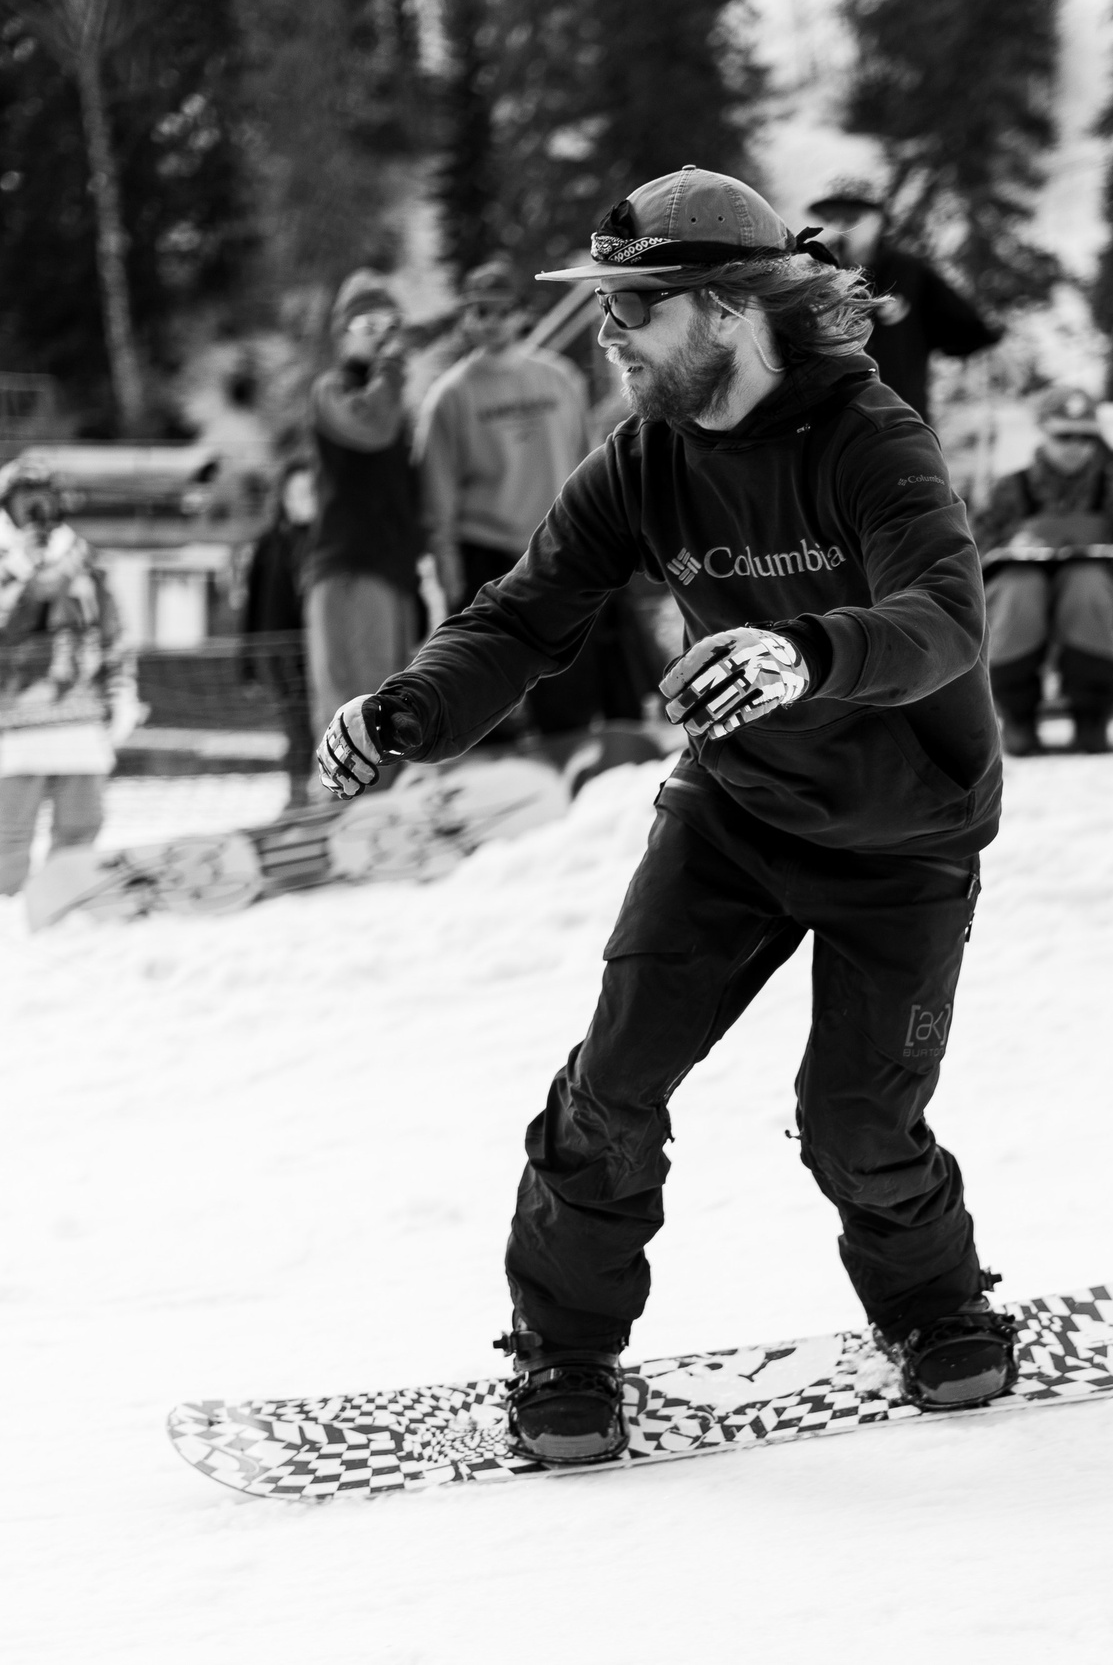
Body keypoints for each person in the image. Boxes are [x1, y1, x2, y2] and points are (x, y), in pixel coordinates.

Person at [315, 166, 1016, 1464]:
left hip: (903, 836)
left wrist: (806, 652)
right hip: (736, 818)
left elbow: (942, 618)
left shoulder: (872, 437)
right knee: (613, 1091)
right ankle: (564, 1354)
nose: (609, 334)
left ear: (730, 306)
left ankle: (935, 1304)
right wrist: (407, 709)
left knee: (858, 1125)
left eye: (634, 307)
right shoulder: (646, 457)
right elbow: (525, 613)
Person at [416, 259, 638, 734]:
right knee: (486, 705)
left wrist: (611, 548)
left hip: (565, 551)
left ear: (519, 314)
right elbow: (437, 502)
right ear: (466, 319)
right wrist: (450, 576)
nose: (490, 322)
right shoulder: (449, 398)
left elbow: (592, 466)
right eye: (479, 312)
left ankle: (574, 788)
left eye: (499, 311)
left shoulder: (560, 379)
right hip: (489, 560)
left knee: (572, 696)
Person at [0, 457, 136, 897]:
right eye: (26, 501)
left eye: (45, 499)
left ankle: (66, 901)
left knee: (81, 826)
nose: (37, 510)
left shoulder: (84, 561)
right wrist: (23, 560)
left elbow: (112, 630)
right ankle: (6, 911)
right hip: (20, 721)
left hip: (81, 720)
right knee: (14, 832)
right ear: (6, 507)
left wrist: (122, 691)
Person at [976, 385, 1113, 755]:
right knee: (1020, 589)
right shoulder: (1009, 489)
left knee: (1087, 584)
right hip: (1017, 593)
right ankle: (1018, 717)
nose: (1075, 446)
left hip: (1092, 593)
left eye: (1086, 437)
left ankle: (1091, 716)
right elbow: (968, 553)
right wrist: (1009, 548)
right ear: (1043, 432)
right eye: (1064, 436)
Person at [306, 269, 428, 755]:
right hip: (350, 568)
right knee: (356, 713)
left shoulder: (390, 398)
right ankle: (348, 810)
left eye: (389, 325)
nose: (382, 339)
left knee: (390, 705)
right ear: (342, 334)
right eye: (367, 327)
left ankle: (378, 812)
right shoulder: (332, 390)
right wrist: (396, 364)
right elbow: (370, 428)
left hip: (390, 570)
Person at [807, 178, 999, 427]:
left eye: (852, 217)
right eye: (832, 218)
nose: (841, 227)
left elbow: (968, 329)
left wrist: (993, 347)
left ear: (879, 221)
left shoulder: (909, 272)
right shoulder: (813, 275)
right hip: (826, 421)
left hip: (898, 421)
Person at [242, 456, 320, 805]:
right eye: (295, 494)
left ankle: (318, 798)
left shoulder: (327, 544)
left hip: (320, 651)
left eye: (309, 493)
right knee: (297, 730)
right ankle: (297, 800)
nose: (302, 501)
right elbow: (253, 604)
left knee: (324, 727)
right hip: (280, 655)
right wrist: (246, 664)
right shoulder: (269, 544)